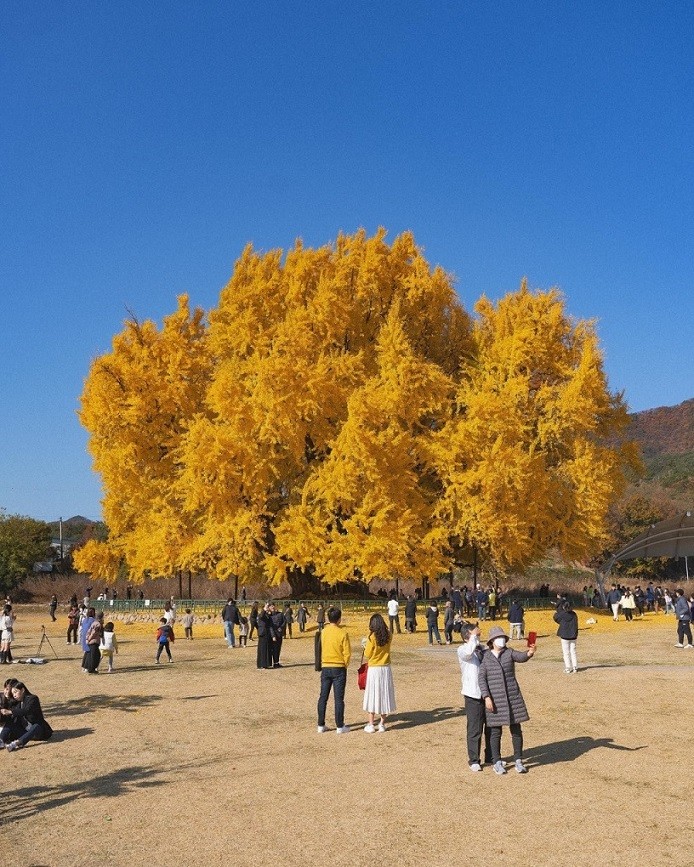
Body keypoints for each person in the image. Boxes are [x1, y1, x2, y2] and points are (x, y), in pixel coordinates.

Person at [478, 625, 536, 775]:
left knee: (516, 729)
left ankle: (518, 760)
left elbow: (521, 657)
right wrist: (486, 697)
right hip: (495, 698)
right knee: (495, 731)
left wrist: (529, 652)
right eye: (498, 638)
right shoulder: (485, 657)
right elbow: (482, 679)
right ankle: (497, 761)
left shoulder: (509, 653)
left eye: (503, 637)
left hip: (512, 697)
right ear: (492, 641)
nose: (501, 640)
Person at [457, 624, 491, 771]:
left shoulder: (482, 648)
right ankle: (474, 760)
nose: (478, 634)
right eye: (474, 633)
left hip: (488, 694)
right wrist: (473, 638)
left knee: (491, 727)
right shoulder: (463, 649)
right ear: (467, 636)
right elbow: (469, 652)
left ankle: (492, 756)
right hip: (473, 694)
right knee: (475, 728)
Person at [317, 607, 351, 734]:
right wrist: (345, 664)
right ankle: (340, 725)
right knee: (338, 698)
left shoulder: (323, 632)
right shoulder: (342, 633)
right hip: (338, 667)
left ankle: (321, 724)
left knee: (323, 697)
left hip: (326, 666)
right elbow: (347, 653)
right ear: (339, 619)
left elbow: (320, 648)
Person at [362, 613, 396, 732]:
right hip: (385, 667)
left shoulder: (371, 638)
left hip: (374, 668)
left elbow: (367, 654)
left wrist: (365, 645)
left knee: (373, 694)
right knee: (384, 694)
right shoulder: (389, 635)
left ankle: (371, 724)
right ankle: (382, 723)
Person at [1, 682, 53, 752]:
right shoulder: (18, 703)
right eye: (13, 693)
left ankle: (16, 743)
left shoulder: (33, 699)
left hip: (40, 732)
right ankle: (1, 740)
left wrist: (10, 711)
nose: (14, 695)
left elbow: (27, 710)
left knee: (37, 725)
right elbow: (10, 707)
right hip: (25, 732)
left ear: (22, 690)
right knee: (10, 723)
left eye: (16, 692)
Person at [553, 600, 578, 673]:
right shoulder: (574, 614)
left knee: (566, 652)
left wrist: (558, 611)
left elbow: (555, 617)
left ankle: (568, 667)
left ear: (564, 607)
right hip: (573, 635)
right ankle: (575, 667)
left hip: (564, 635)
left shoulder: (562, 614)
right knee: (573, 652)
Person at [0, 677, 19, 745]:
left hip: (9, 727)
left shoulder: (17, 701)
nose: (7, 692)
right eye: (6, 689)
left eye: (10, 690)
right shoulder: (1, 696)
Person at [256, 603, 273, 669]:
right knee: (262, 649)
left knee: (267, 648)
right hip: (263, 633)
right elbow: (261, 616)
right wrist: (264, 609)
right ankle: (262, 664)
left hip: (267, 633)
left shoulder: (267, 614)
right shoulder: (261, 614)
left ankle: (266, 663)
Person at [80, 607, 96, 671]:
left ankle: (84, 667)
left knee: (86, 652)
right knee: (89, 653)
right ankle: (87, 667)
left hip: (83, 637)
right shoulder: (93, 620)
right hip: (89, 638)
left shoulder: (84, 620)